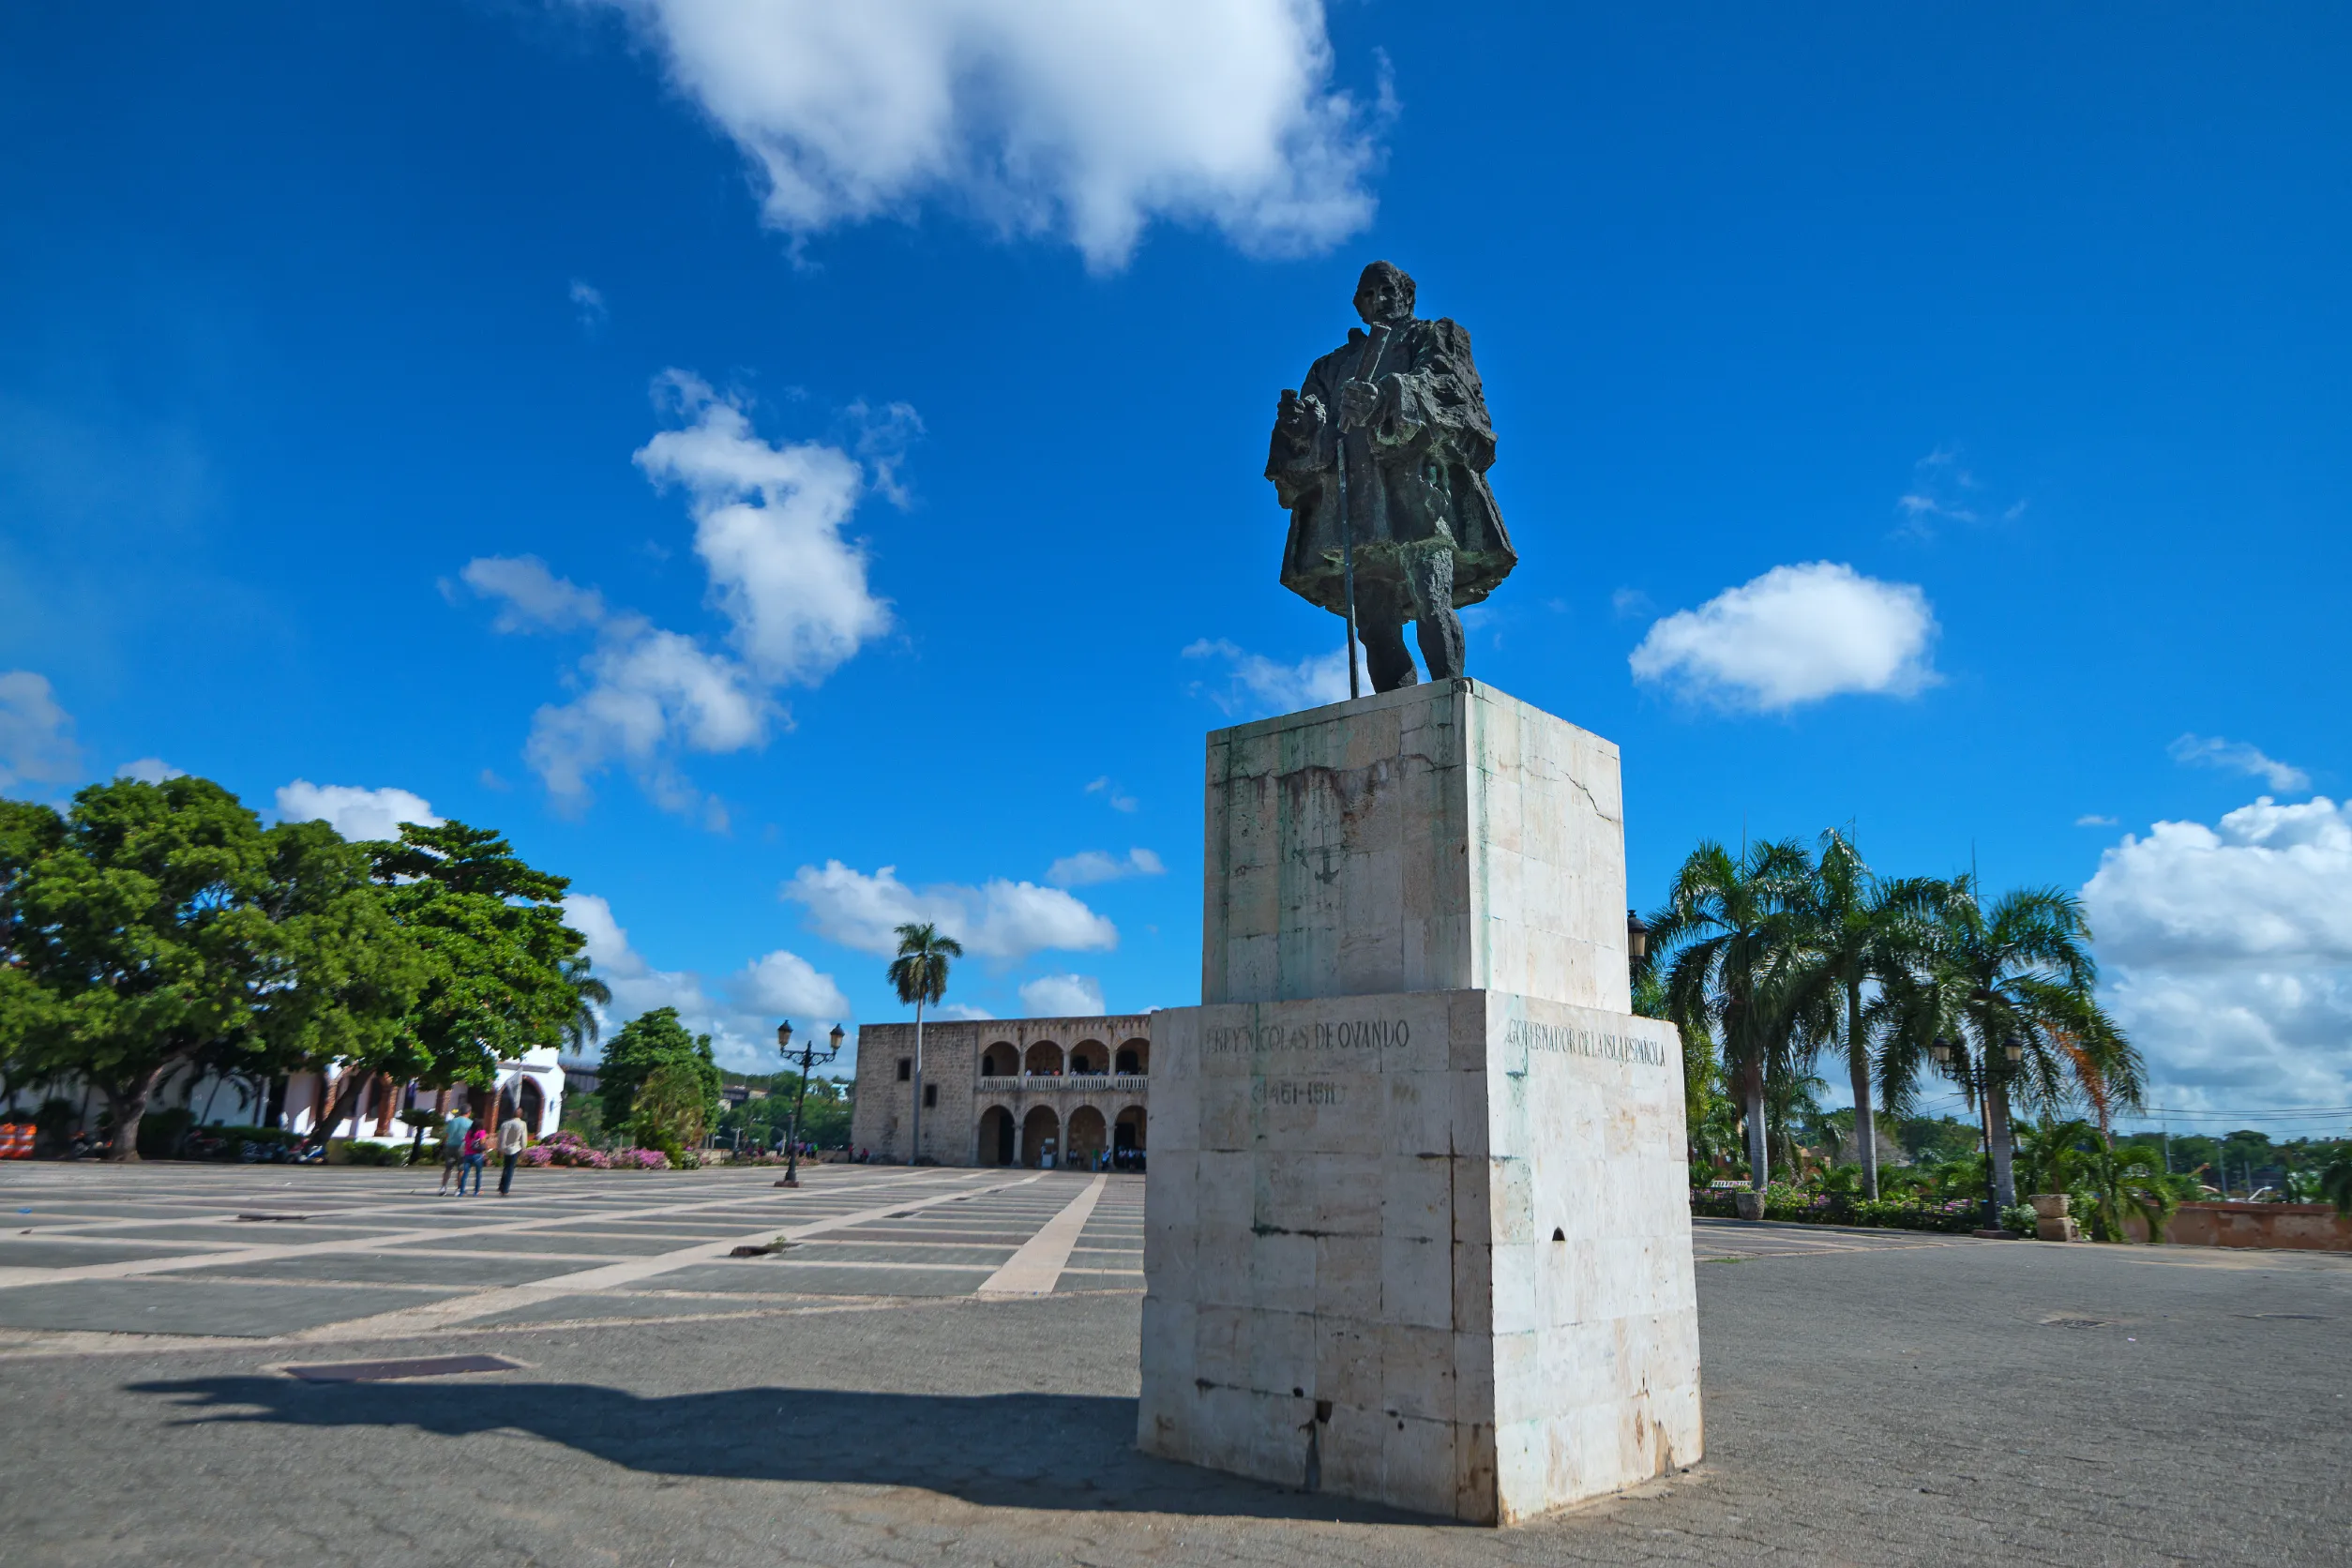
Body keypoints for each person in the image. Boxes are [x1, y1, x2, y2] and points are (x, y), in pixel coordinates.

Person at [1265, 260, 1516, 693]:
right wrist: (1302, 425)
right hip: (1357, 506)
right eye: (1368, 294)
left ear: (1407, 296)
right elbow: (1313, 427)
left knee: (1431, 600)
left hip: (1419, 492)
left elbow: (1451, 390)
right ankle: (1392, 709)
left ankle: (1449, 697)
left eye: (1386, 291)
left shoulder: (1433, 336)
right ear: (1357, 305)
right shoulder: (1331, 366)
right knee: (1374, 624)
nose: (1378, 300)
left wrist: (1388, 395)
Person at [439, 1108, 475, 1195]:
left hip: (450, 1146)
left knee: (448, 1168)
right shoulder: (470, 1123)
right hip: (462, 1147)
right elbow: (471, 1137)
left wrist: (443, 1144)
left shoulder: (453, 1121)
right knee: (461, 1168)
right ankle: (458, 1189)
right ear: (469, 1112)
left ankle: (443, 1187)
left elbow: (447, 1134)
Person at [496, 1107, 529, 1196]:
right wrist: (523, 1148)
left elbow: (500, 1138)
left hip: (505, 1148)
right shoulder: (522, 1124)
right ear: (521, 1115)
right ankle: (505, 1189)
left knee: (505, 1167)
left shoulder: (505, 1124)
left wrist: (499, 1149)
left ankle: (501, 1185)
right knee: (510, 1169)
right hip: (515, 1148)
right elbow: (523, 1138)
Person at [459, 1123, 490, 1196]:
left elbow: (466, 1143)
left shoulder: (468, 1132)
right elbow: (482, 1143)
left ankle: (462, 1191)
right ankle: (476, 1191)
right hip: (477, 1155)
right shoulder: (481, 1132)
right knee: (478, 1173)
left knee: (465, 1174)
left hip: (467, 1155)